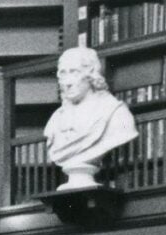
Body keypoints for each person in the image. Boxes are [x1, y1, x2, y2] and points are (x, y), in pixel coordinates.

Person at [42, 45, 137, 191]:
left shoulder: (116, 113)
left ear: (91, 74)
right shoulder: (55, 120)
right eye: (63, 74)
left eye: (74, 72)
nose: (67, 82)